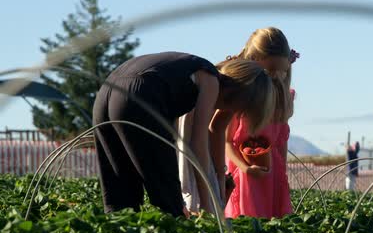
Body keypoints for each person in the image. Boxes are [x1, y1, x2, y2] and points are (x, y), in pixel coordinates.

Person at [93, 52, 275, 218]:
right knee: (169, 202)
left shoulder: (191, 70)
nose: (235, 112)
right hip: (140, 95)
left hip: (107, 91)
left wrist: (220, 177)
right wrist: (208, 206)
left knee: (121, 192)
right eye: (239, 108)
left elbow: (210, 130)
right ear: (239, 95)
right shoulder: (211, 80)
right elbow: (198, 144)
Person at [222, 27, 298, 219]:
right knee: (246, 222)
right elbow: (228, 141)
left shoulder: (283, 98)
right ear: (253, 60)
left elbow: (280, 144)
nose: (274, 76)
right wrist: (245, 168)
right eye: (269, 70)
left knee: (273, 225)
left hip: (272, 176)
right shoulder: (241, 96)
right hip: (244, 175)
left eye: (279, 71)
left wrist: (282, 176)